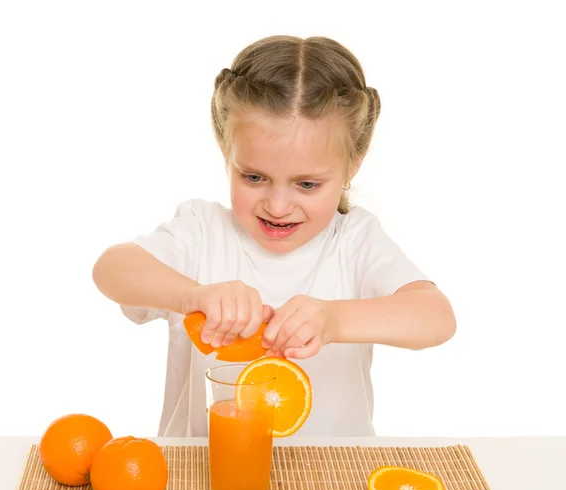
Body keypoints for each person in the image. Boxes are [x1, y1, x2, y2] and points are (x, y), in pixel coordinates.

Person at [92, 35, 456, 438]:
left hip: (334, 479)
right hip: (200, 481)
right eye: (253, 177)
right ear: (226, 150)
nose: (278, 206)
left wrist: (335, 319)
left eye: (307, 184)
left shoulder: (353, 240)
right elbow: (112, 268)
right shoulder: (202, 230)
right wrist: (190, 296)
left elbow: (436, 318)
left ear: (354, 164)